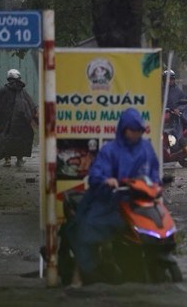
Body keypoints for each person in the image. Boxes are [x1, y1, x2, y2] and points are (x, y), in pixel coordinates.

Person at [63, 108, 159, 283]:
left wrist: (155, 185)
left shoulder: (146, 148)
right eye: (132, 130)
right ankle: (90, 271)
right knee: (86, 230)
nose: (136, 134)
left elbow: (153, 172)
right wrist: (107, 180)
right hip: (110, 202)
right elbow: (96, 173)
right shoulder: (110, 150)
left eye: (139, 131)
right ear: (124, 129)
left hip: (138, 204)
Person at [0, 69, 38, 167]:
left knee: (5, 139)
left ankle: (7, 160)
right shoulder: (21, 90)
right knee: (20, 139)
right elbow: (31, 104)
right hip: (20, 121)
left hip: (6, 120)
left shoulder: (3, 90)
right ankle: (19, 159)